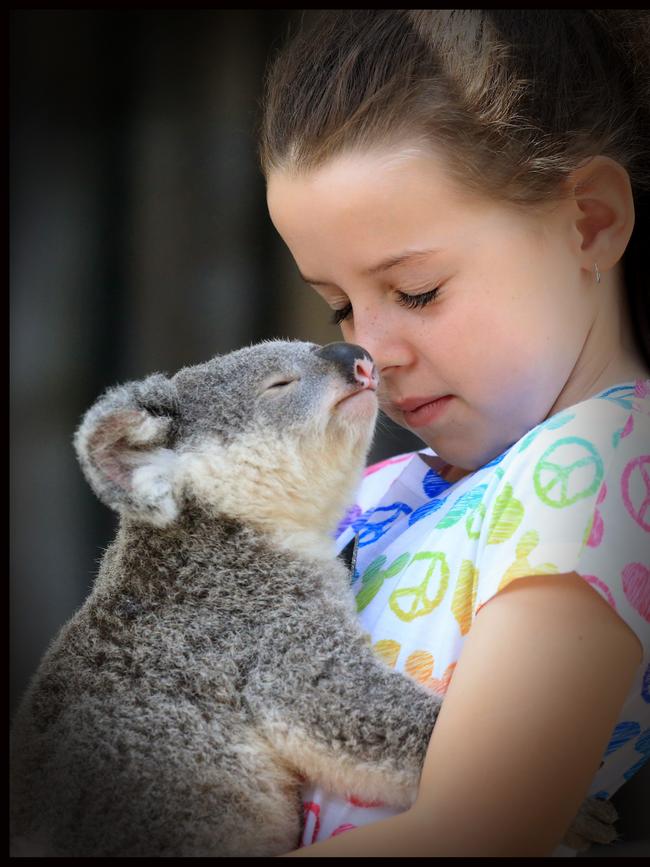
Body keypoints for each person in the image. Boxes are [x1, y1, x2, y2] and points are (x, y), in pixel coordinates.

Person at [258, 10, 650, 857]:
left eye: (418, 290)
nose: (368, 352)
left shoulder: (602, 473)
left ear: (589, 221)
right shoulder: (400, 489)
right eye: (339, 306)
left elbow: (474, 831)